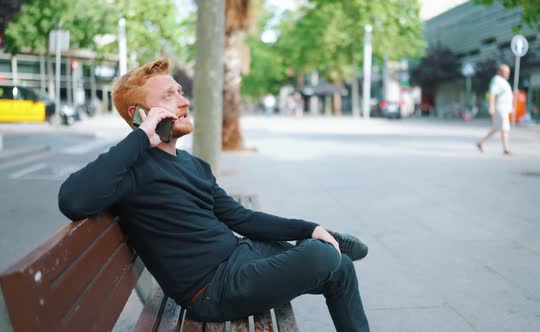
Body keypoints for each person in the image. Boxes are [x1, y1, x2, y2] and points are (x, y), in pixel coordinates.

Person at [58, 59, 370, 332]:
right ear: (139, 113)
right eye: (169, 95)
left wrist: (309, 227)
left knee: (340, 266)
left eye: (180, 91)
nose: (183, 101)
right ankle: (315, 246)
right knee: (324, 255)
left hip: (238, 256)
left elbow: (242, 218)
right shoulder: (132, 169)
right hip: (212, 291)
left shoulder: (194, 165)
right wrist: (141, 136)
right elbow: (72, 199)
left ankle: (315, 240)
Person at [476, 64, 513, 155]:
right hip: (501, 108)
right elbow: (492, 94)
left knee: (496, 128)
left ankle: (481, 143)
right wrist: (491, 107)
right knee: (505, 127)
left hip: (504, 108)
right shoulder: (497, 80)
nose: (508, 74)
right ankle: (506, 149)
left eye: (508, 72)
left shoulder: (503, 81)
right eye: (505, 72)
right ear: (499, 72)